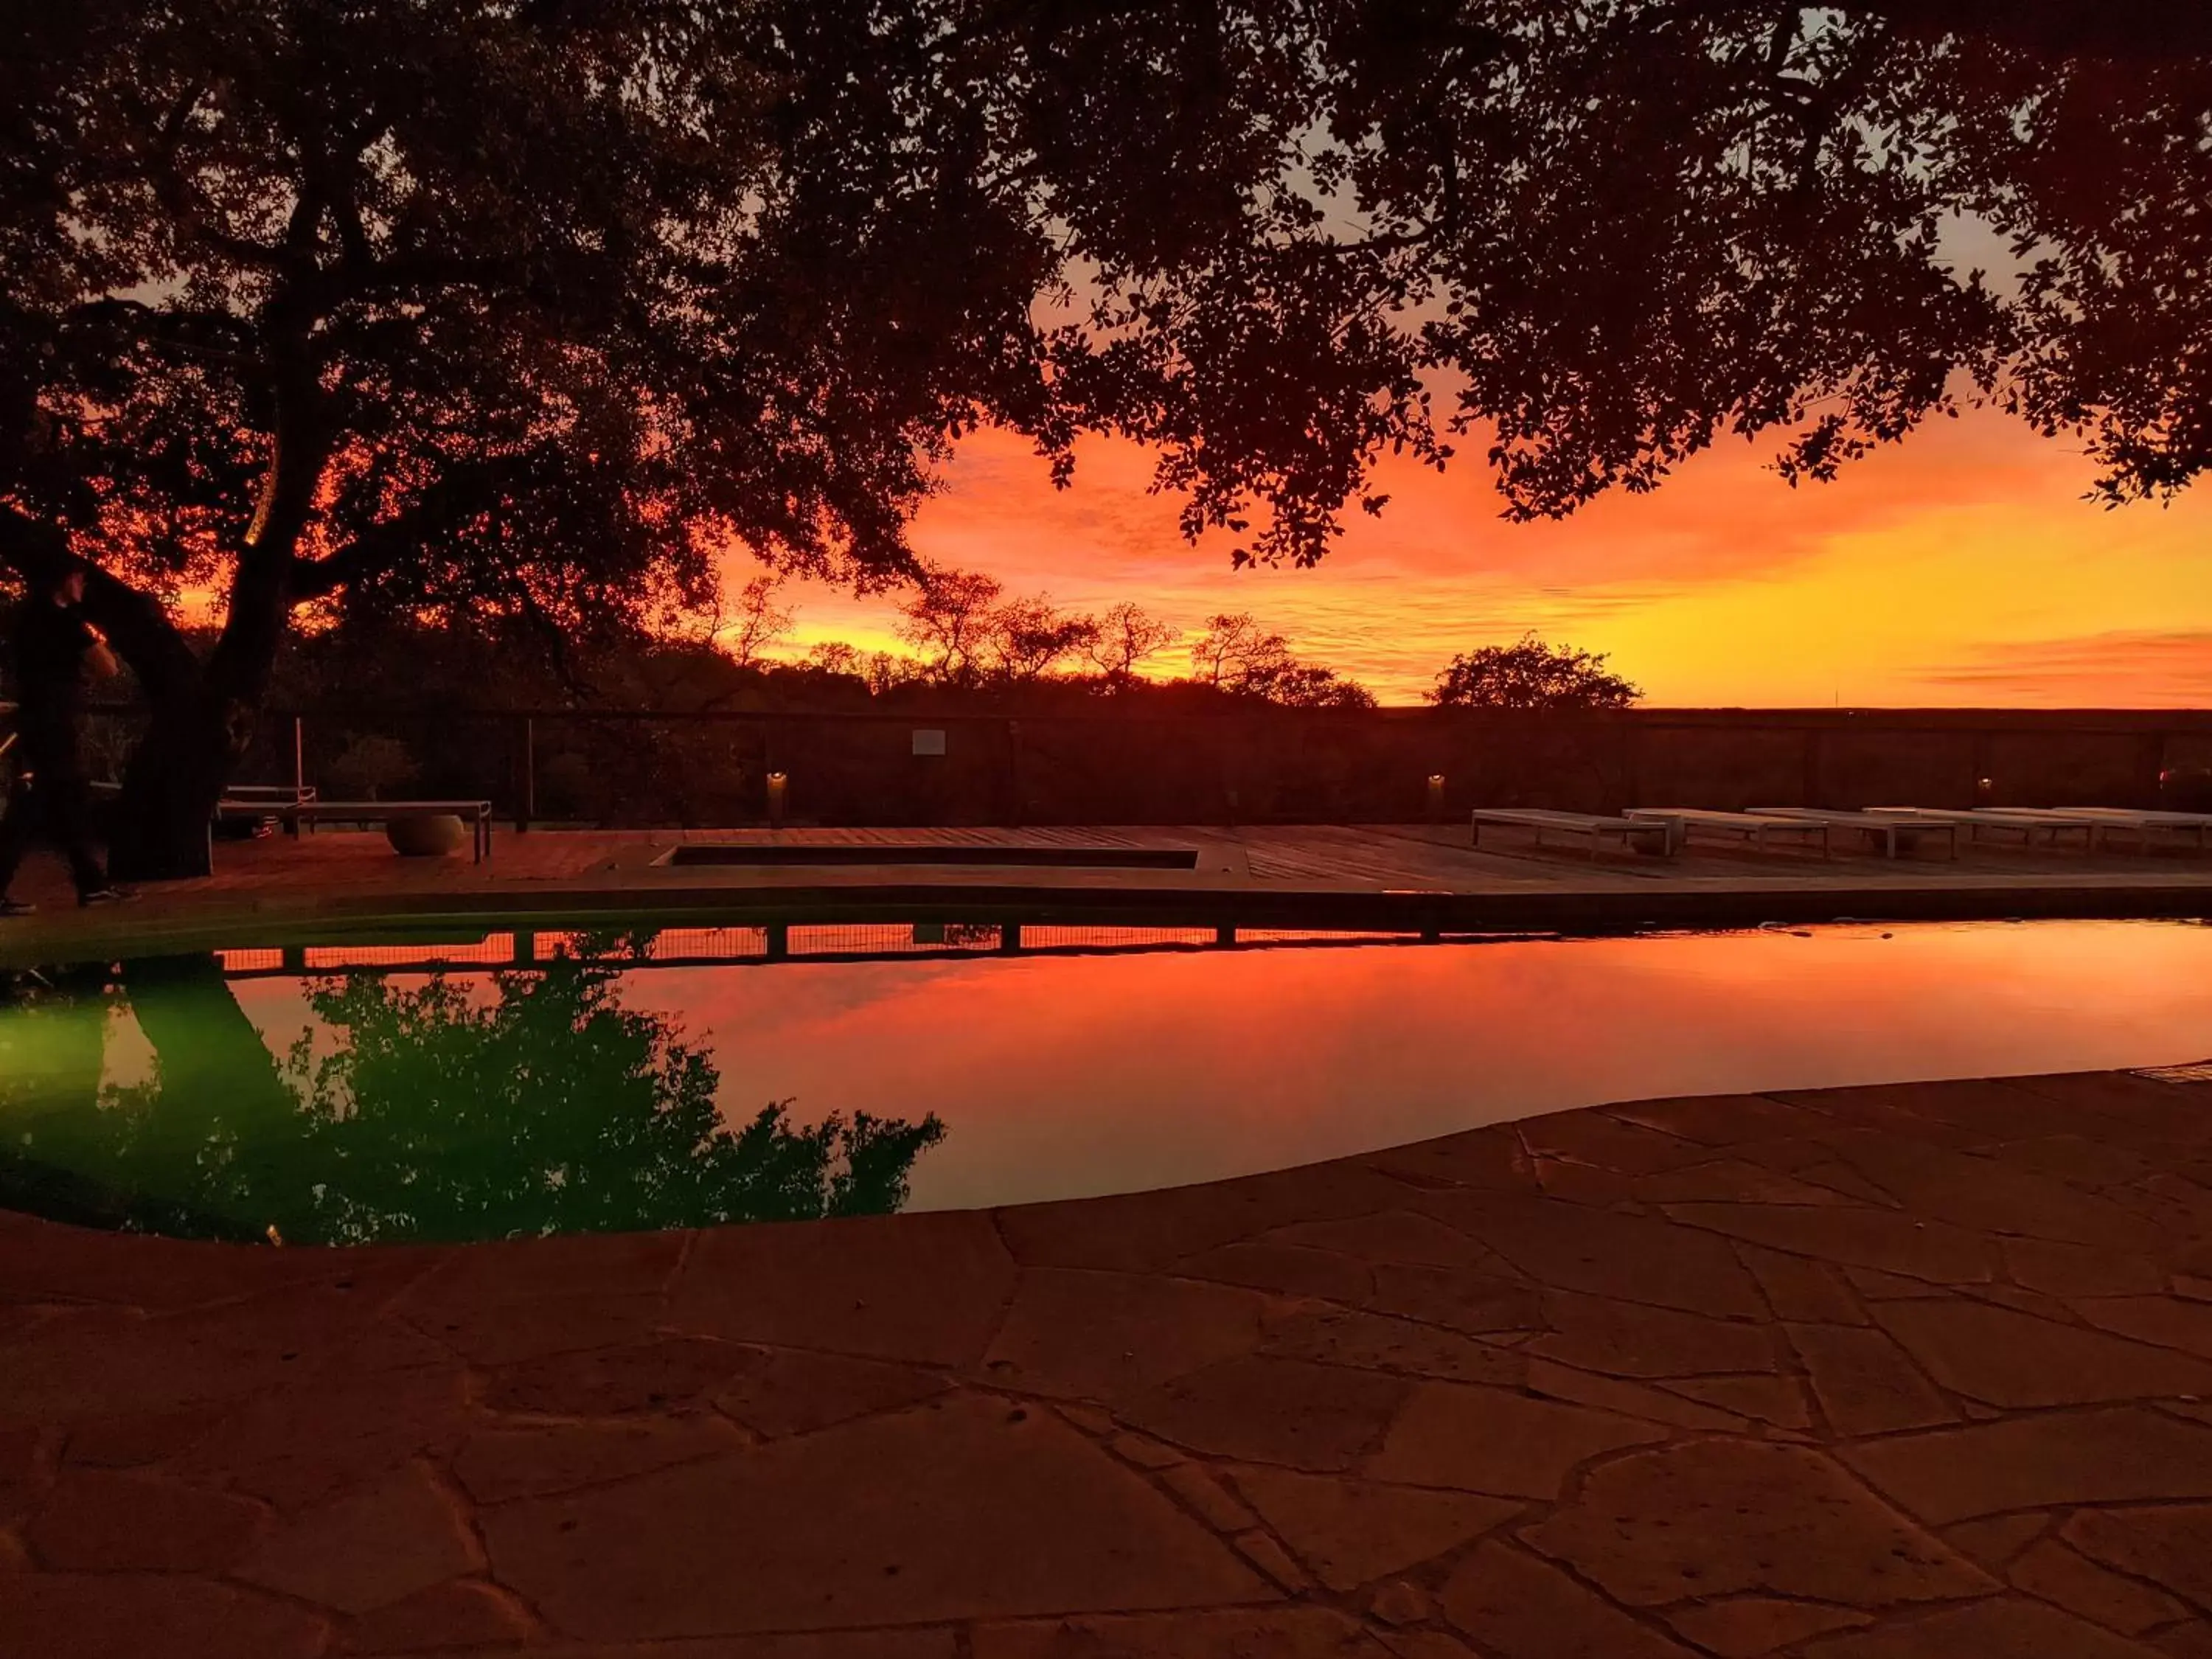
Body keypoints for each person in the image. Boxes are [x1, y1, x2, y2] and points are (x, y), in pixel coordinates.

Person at [0, 568, 132, 914]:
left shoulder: (26, 620)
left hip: (36, 721)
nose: (82, 584)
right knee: (45, 803)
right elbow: (108, 667)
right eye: (77, 578)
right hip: (54, 727)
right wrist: (93, 637)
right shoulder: (65, 623)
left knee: (56, 803)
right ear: (61, 581)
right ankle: (92, 885)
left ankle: (92, 884)